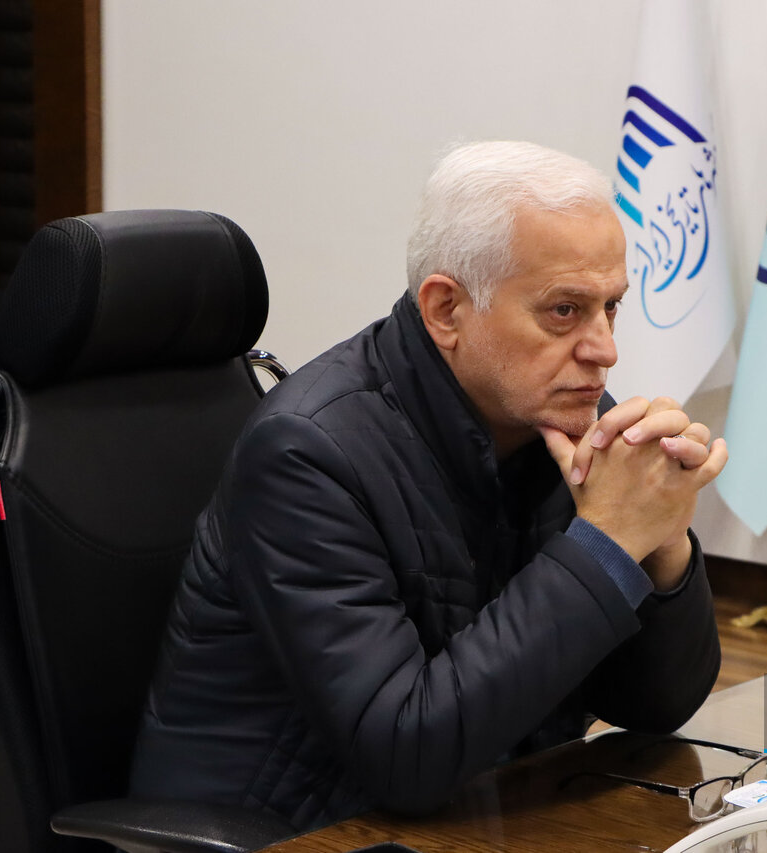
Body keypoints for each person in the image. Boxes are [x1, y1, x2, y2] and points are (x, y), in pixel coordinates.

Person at [129, 140, 729, 832]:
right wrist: (607, 542)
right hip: (301, 834)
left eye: (611, 307)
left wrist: (662, 541)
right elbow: (407, 755)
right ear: (446, 310)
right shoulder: (306, 453)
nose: (605, 350)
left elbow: (656, 706)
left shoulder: (558, 413)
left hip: (488, 814)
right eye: (564, 311)